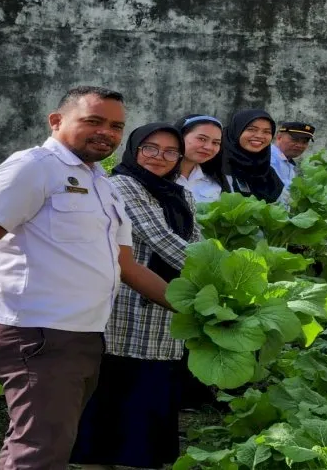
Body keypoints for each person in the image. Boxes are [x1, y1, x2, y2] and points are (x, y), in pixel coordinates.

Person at [0, 86, 171, 469]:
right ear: (56, 121)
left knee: (38, 445)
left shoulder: (103, 185)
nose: (106, 132)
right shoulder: (32, 168)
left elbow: (127, 266)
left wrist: (195, 310)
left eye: (116, 126)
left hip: (82, 336)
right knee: (41, 451)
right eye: (93, 121)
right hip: (35, 333)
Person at [71, 122, 200, 469]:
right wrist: (220, 278)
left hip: (167, 307)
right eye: (150, 148)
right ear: (134, 150)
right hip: (125, 305)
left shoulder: (181, 194)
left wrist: (210, 276)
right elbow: (161, 239)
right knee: (116, 389)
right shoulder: (120, 186)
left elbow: (196, 242)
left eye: (171, 151)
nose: (160, 157)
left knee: (151, 391)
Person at [222, 109, 284, 203]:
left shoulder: (267, 172)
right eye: (251, 129)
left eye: (266, 132)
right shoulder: (216, 166)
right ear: (236, 130)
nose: (259, 136)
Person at [175, 114, 229, 204]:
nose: (209, 147)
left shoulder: (215, 181)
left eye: (215, 142)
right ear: (180, 136)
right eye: (202, 139)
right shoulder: (158, 176)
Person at [271, 121, 315, 187]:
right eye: (295, 140)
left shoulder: (286, 161)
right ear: (279, 138)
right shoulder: (268, 159)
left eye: (304, 142)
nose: (300, 145)